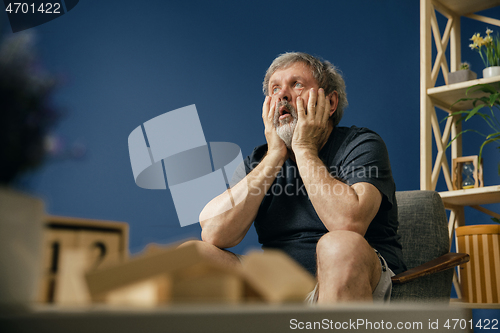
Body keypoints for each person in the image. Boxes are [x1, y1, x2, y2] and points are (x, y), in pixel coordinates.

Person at [189, 52, 406, 303]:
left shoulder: (361, 144)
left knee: (339, 245)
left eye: (297, 84)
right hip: (279, 287)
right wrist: (273, 157)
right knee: (194, 255)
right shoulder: (259, 162)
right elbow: (215, 233)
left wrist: (303, 148)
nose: (283, 95)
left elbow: (349, 223)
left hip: (354, 275)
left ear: (330, 102)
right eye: (275, 88)